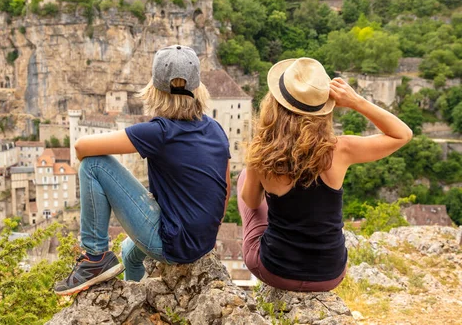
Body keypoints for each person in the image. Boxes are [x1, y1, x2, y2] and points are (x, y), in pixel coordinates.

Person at [54, 45, 231, 295]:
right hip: (201, 240)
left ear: (155, 91)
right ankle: (136, 298)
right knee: (129, 254)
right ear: (197, 89)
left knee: (93, 164)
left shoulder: (159, 131)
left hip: (173, 245)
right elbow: (225, 189)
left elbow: (82, 146)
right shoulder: (215, 128)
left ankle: (94, 258)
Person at [239, 57, 413, 292]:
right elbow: (402, 135)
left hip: (276, 272)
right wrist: (356, 102)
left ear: (276, 103)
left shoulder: (262, 152)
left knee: (246, 184)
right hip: (329, 275)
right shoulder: (340, 149)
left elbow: (251, 202)